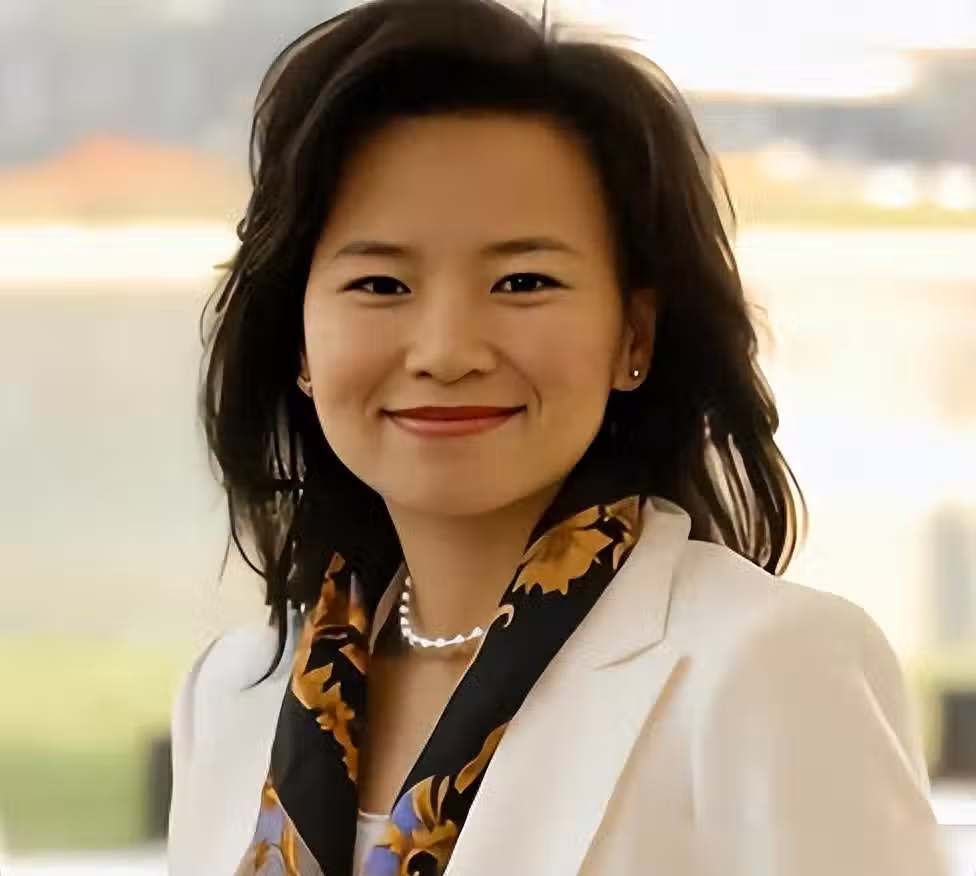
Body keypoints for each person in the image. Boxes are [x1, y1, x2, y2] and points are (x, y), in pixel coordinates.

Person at [166, 1, 950, 874]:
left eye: (523, 281)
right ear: (300, 345)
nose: (447, 352)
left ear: (633, 336)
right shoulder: (233, 693)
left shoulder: (769, 667)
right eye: (381, 284)